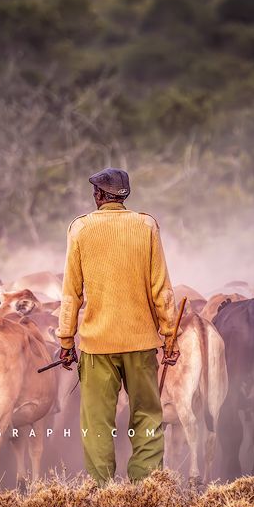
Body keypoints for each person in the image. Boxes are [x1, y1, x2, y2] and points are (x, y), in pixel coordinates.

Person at [56, 168, 179, 485]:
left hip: (98, 346)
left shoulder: (80, 228)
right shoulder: (146, 225)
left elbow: (71, 293)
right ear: (125, 196)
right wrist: (169, 337)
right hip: (140, 343)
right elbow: (161, 289)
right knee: (148, 415)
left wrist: (66, 340)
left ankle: (102, 490)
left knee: (97, 421)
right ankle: (147, 485)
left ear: (98, 195)